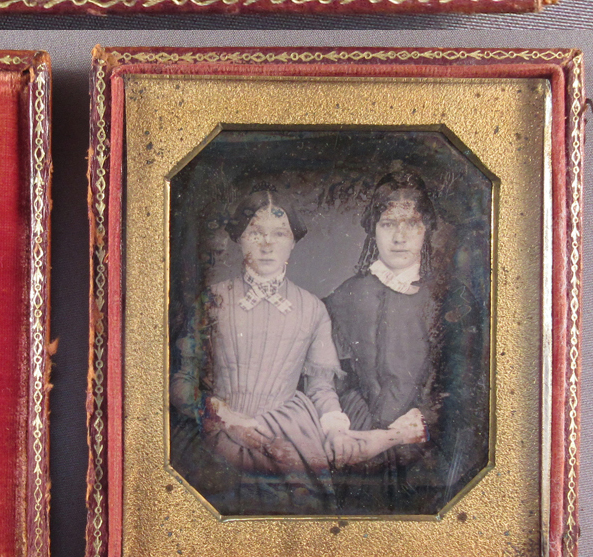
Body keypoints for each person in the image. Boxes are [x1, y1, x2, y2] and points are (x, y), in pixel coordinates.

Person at [170, 190, 426, 515]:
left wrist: (335, 427)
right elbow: (180, 380)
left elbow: (321, 386)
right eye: (255, 232)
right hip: (219, 432)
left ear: (293, 242)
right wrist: (221, 415)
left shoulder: (312, 308)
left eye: (279, 234)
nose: (267, 244)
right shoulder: (213, 300)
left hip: (290, 432)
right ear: (239, 238)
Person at [324, 168, 479, 513]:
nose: (399, 236)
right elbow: (335, 379)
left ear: (427, 229)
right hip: (358, 445)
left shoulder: (452, 300)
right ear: (373, 230)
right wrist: (362, 432)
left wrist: (414, 426)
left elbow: (462, 388)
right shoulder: (345, 297)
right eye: (388, 224)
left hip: (427, 453)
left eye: (411, 224)